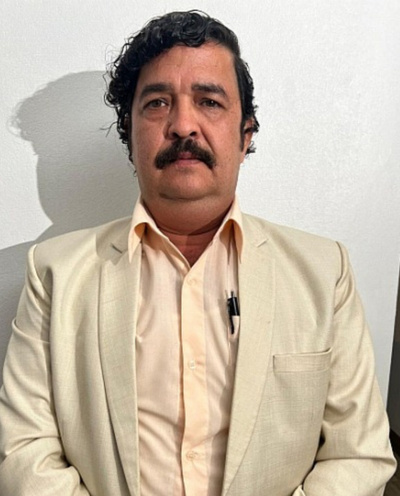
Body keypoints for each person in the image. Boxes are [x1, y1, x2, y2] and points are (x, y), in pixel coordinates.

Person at [0, 10, 396, 496]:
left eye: (209, 101)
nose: (183, 124)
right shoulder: (55, 274)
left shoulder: (323, 271)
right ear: (130, 135)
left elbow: (359, 454)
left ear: (245, 134)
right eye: (157, 103)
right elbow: (24, 452)